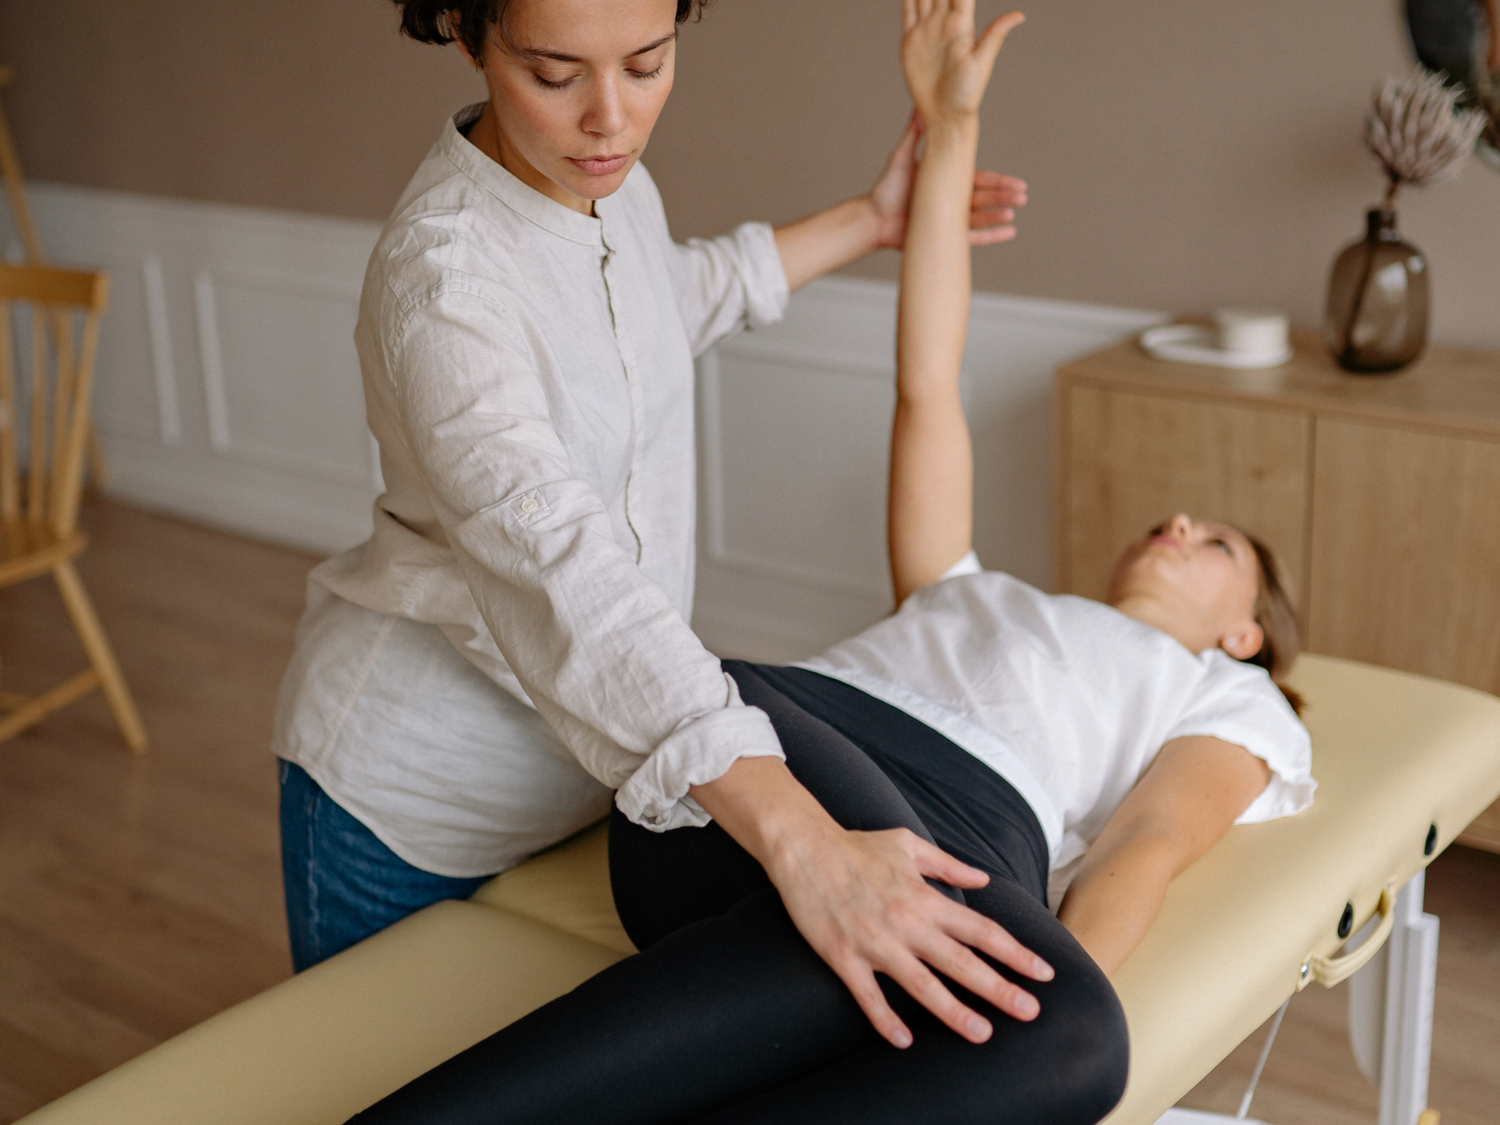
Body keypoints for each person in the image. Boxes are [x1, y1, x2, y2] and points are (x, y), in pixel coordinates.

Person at [346, 3, 1316, 1123]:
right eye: (559, 71)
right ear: (472, 38)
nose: (1182, 524)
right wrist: (950, 124)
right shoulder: (967, 585)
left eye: (1221, 545)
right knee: (1072, 1034)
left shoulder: (1225, 695)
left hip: (949, 822)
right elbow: (927, 386)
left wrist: (1037, 975)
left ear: (1248, 632)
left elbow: (1146, 846)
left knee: (1060, 1043)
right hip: (751, 761)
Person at [272, 0, 1029, 974]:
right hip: (410, 810)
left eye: (647, 63)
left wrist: (871, 220)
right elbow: (560, 565)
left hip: (585, 788)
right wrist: (803, 839)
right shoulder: (447, 287)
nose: (611, 120)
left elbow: (665, 300)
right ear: (467, 34)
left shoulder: (603, 188)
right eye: (555, 74)